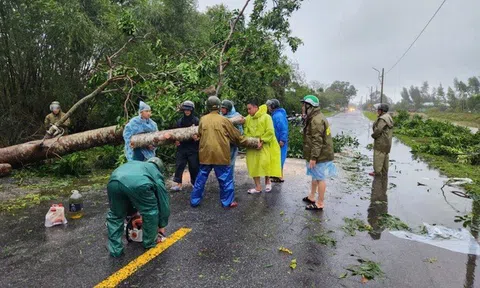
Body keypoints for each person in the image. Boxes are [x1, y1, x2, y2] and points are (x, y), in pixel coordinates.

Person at [106, 157, 170, 257]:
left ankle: (115, 250)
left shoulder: (138, 164)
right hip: (138, 184)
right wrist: (161, 225)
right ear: (160, 169)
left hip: (113, 181)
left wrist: (133, 215)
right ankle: (150, 242)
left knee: (115, 216)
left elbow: (129, 196)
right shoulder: (156, 173)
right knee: (150, 211)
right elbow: (163, 202)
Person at [190, 96, 247, 208]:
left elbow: (200, 134)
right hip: (220, 154)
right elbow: (236, 136)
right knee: (225, 179)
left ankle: (194, 201)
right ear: (219, 107)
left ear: (208, 106)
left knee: (200, 179)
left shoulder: (203, 119)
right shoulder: (224, 120)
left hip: (205, 154)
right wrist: (247, 142)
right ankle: (227, 202)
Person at [301, 95, 336, 211]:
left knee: (320, 178)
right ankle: (312, 196)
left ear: (309, 106)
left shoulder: (316, 120)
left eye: (304, 105)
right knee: (315, 176)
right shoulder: (314, 117)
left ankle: (320, 203)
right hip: (318, 153)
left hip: (320, 154)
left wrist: (314, 157)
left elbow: (317, 141)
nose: (302, 107)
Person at [244, 100, 281, 193]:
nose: (248, 111)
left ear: (256, 107)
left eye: (250, 109)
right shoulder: (248, 118)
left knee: (265, 164)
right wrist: (252, 142)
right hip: (253, 146)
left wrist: (262, 140)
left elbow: (270, 131)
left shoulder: (266, 117)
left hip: (265, 145)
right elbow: (246, 131)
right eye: (247, 109)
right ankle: (258, 187)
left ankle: (268, 182)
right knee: (254, 165)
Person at [172, 101, 200, 191]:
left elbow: (202, 134)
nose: (187, 111)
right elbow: (175, 133)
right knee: (179, 165)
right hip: (182, 147)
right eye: (185, 109)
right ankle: (179, 184)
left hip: (193, 147)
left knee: (194, 166)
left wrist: (198, 138)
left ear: (192, 110)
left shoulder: (196, 120)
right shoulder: (180, 121)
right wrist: (175, 141)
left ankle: (194, 183)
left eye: (189, 110)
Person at [221, 100, 245, 184]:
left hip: (232, 144)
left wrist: (232, 135)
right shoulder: (220, 116)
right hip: (222, 144)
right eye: (221, 108)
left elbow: (240, 131)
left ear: (228, 109)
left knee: (230, 163)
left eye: (224, 108)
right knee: (222, 163)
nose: (222, 109)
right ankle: (224, 180)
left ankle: (230, 181)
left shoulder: (236, 116)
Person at [266, 99, 289, 183]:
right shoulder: (276, 114)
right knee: (277, 157)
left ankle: (280, 176)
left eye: (269, 106)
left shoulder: (277, 116)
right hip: (276, 140)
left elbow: (283, 129)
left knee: (280, 158)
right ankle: (276, 175)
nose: (268, 108)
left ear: (272, 106)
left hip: (279, 140)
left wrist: (282, 140)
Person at [369, 104, 394, 177]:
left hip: (381, 141)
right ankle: (384, 171)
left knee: (378, 156)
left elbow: (378, 130)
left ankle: (377, 172)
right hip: (387, 141)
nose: (377, 111)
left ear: (382, 111)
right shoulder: (388, 117)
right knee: (385, 156)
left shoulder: (383, 118)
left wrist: (374, 135)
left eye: (378, 110)